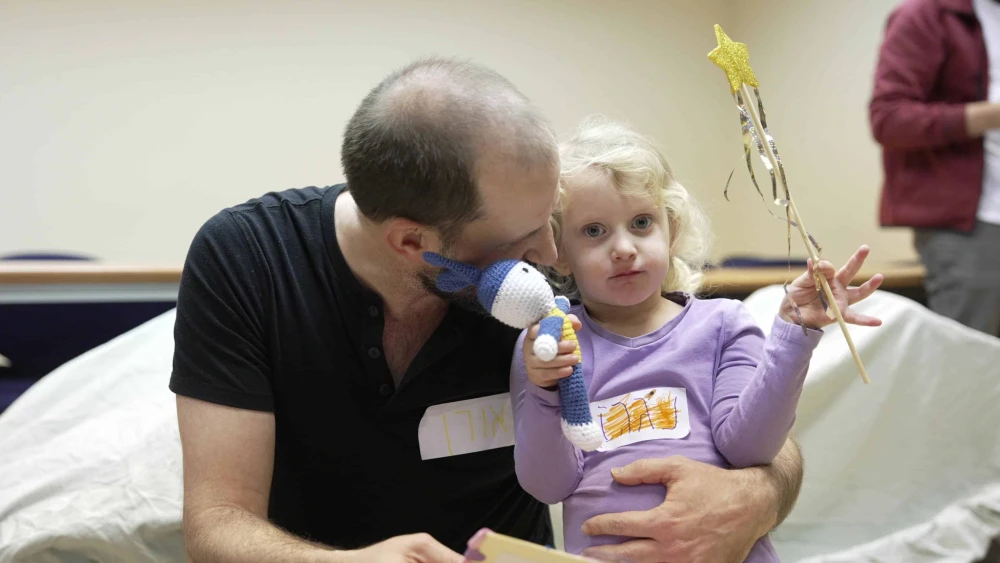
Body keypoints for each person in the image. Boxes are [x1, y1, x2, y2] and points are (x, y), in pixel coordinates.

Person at [171, 57, 807, 563]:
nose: (554, 255)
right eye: (525, 241)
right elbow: (217, 526)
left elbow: (749, 423)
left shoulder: (560, 271)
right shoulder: (246, 261)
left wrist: (753, 498)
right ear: (414, 243)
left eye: (554, 222)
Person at [510, 118, 884, 561]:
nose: (624, 247)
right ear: (560, 254)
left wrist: (794, 333)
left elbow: (749, 448)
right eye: (594, 231)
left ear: (672, 230)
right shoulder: (548, 347)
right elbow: (548, 484)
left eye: (642, 222)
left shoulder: (723, 324)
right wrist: (546, 388)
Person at [870, 0, 1000, 338]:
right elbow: (889, 118)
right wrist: (992, 114)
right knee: (969, 364)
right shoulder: (926, 14)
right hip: (972, 225)